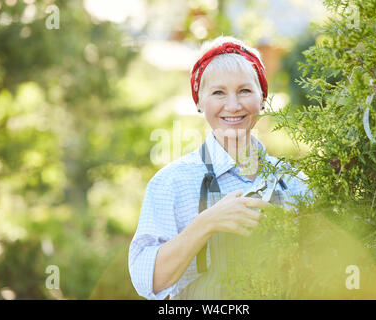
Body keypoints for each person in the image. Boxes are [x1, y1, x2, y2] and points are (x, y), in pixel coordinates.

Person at [128, 35, 311, 300]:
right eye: (218, 93)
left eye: (245, 91)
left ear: (262, 99)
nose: (233, 105)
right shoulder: (172, 183)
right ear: (199, 102)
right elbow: (150, 282)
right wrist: (208, 222)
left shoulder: (293, 181)